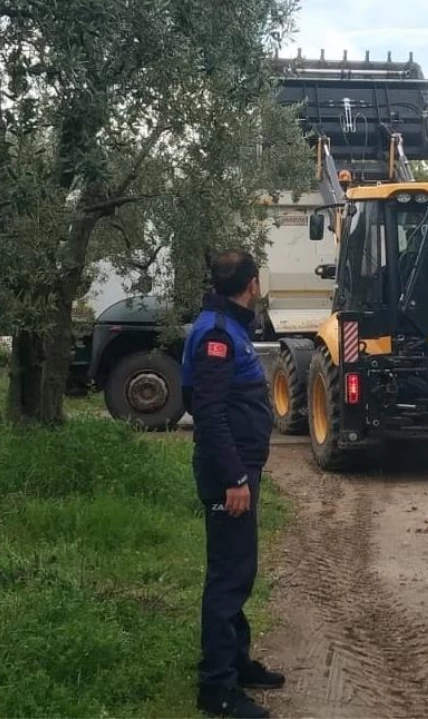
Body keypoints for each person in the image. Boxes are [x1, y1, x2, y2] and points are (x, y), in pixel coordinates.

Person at [181, 250, 283, 719]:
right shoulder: (218, 336)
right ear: (253, 285)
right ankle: (217, 689)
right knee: (228, 577)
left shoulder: (227, 326)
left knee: (239, 569)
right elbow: (210, 413)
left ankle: (237, 663)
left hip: (238, 469)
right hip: (230, 474)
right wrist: (235, 479)